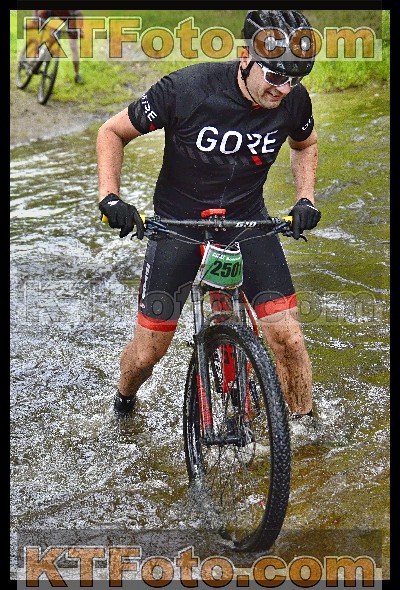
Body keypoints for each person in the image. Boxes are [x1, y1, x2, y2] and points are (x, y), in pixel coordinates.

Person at [96, 10, 322, 419]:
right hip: (179, 225)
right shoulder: (186, 89)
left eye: (295, 78)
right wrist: (111, 198)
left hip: (246, 222)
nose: (284, 88)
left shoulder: (293, 101)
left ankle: (304, 433)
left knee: (289, 340)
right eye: (275, 76)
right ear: (245, 57)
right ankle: (124, 400)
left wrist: (305, 198)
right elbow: (112, 132)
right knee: (148, 354)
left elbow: (305, 144)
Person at [27, 10, 84, 83]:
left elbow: (79, 14)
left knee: (73, 46)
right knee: (40, 27)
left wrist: (80, 30)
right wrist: (34, 17)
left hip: (67, 18)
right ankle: (35, 55)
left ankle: (77, 74)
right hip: (50, 12)